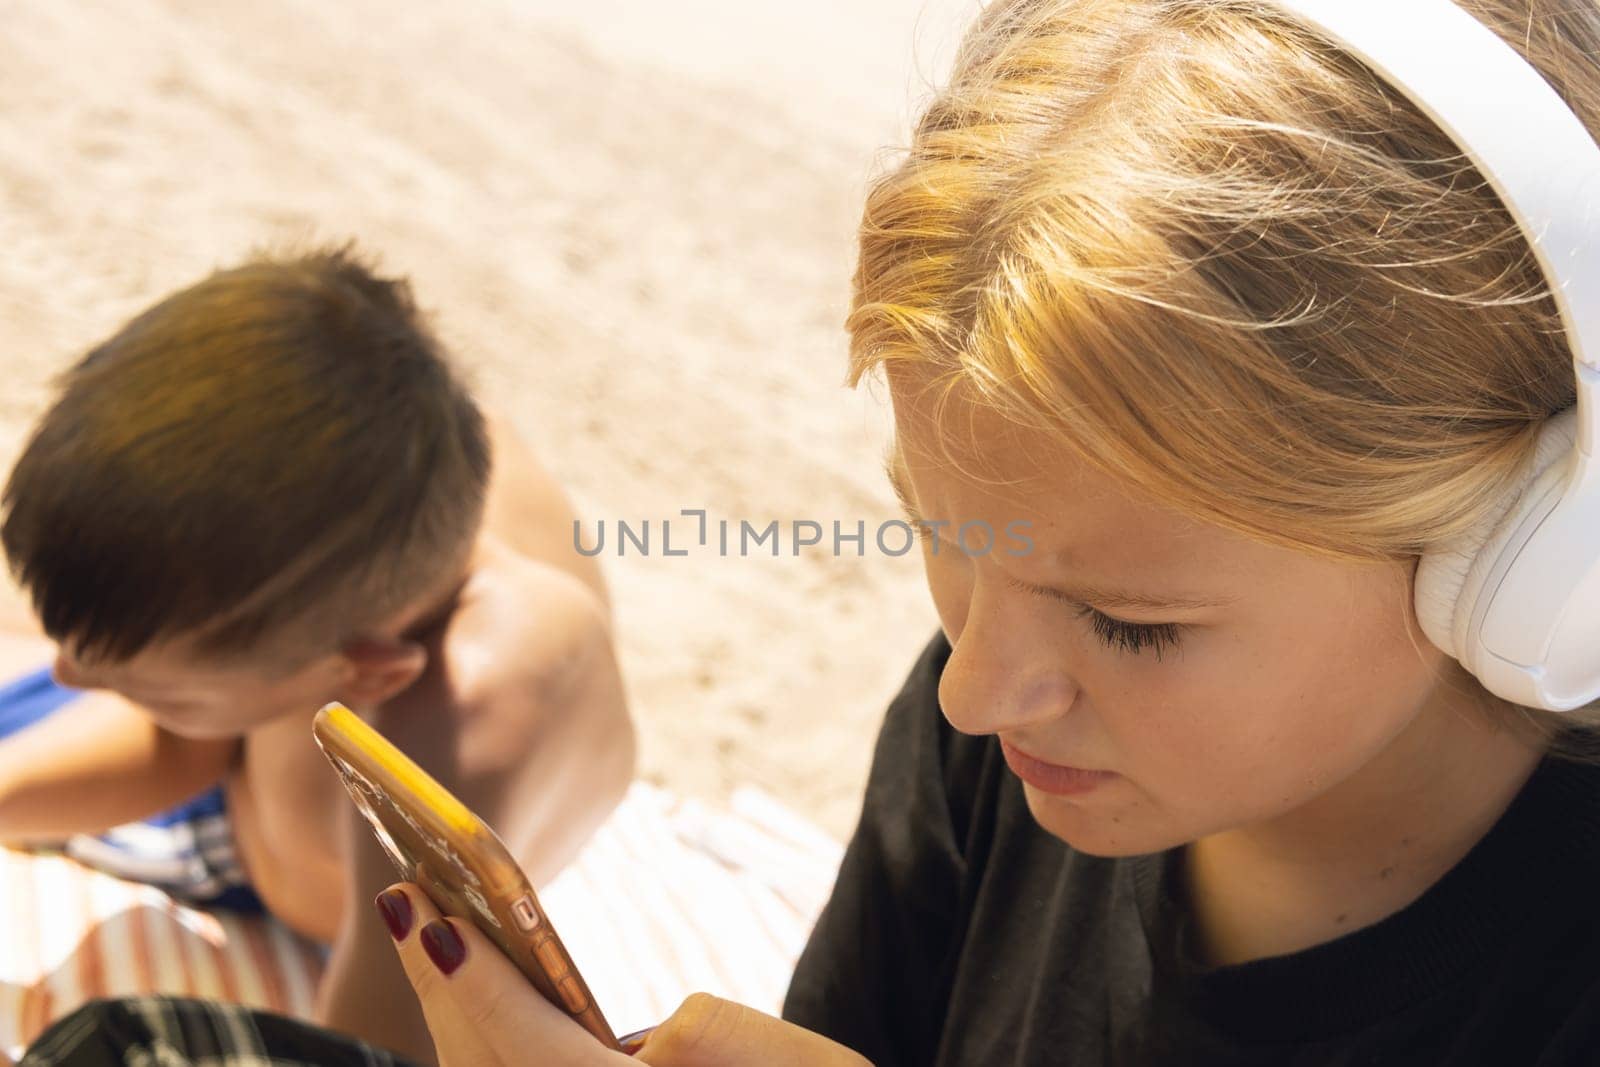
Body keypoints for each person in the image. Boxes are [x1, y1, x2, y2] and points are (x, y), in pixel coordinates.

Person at [14, 0, 1600, 1063]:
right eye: (953, 533)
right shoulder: (991, 733)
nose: (979, 687)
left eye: (1130, 622)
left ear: (1533, 561)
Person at [0, 246, 636, 1065]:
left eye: (147, 685)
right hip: (235, 755)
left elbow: (370, 1041)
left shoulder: (464, 716)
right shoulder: (368, 476)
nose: (67, 672)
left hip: (257, 851)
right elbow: (187, 732)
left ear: (364, 673)